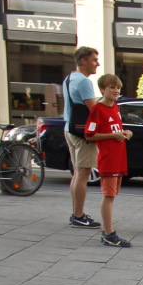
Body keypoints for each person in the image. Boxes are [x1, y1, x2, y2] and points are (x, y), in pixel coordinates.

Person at [84, 74, 133, 248]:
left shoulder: (116, 108)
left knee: (112, 195)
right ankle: (109, 233)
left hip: (118, 158)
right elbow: (90, 135)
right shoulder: (98, 109)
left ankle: (107, 230)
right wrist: (113, 135)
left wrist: (125, 133)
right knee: (109, 195)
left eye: (118, 88)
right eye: (112, 87)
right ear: (103, 89)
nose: (116, 91)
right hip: (108, 159)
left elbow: (115, 128)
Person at [63, 46, 101, 229]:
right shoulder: (85, 82)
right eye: (94, 60)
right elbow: (93, 110)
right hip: (82, 133)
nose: (97, 64)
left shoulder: (69, 78)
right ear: (83, 60)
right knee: (83, 174)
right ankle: (78, 215)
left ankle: (76, 213)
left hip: (69, 129)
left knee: (78, 174)